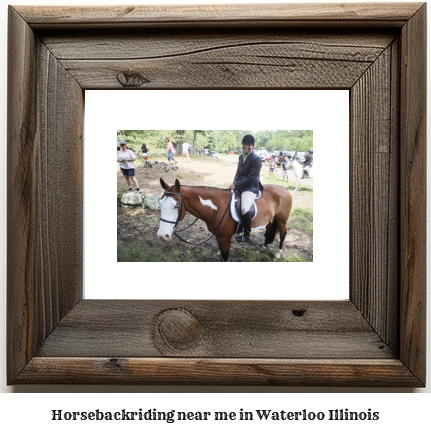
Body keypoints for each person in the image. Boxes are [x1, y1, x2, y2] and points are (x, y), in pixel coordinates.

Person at [229, 134, 262, 243]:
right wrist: (234, 182)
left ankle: (247, 234)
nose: (246, 146)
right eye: (245, 144)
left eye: (249, 144)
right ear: (242, 144)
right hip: (240, 183)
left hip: (251, 186)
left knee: (244, 208)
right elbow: (238, 172)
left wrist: (237, 185)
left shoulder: (256, 159)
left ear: (252, 146)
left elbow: (252, 178)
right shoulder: (241, 156)